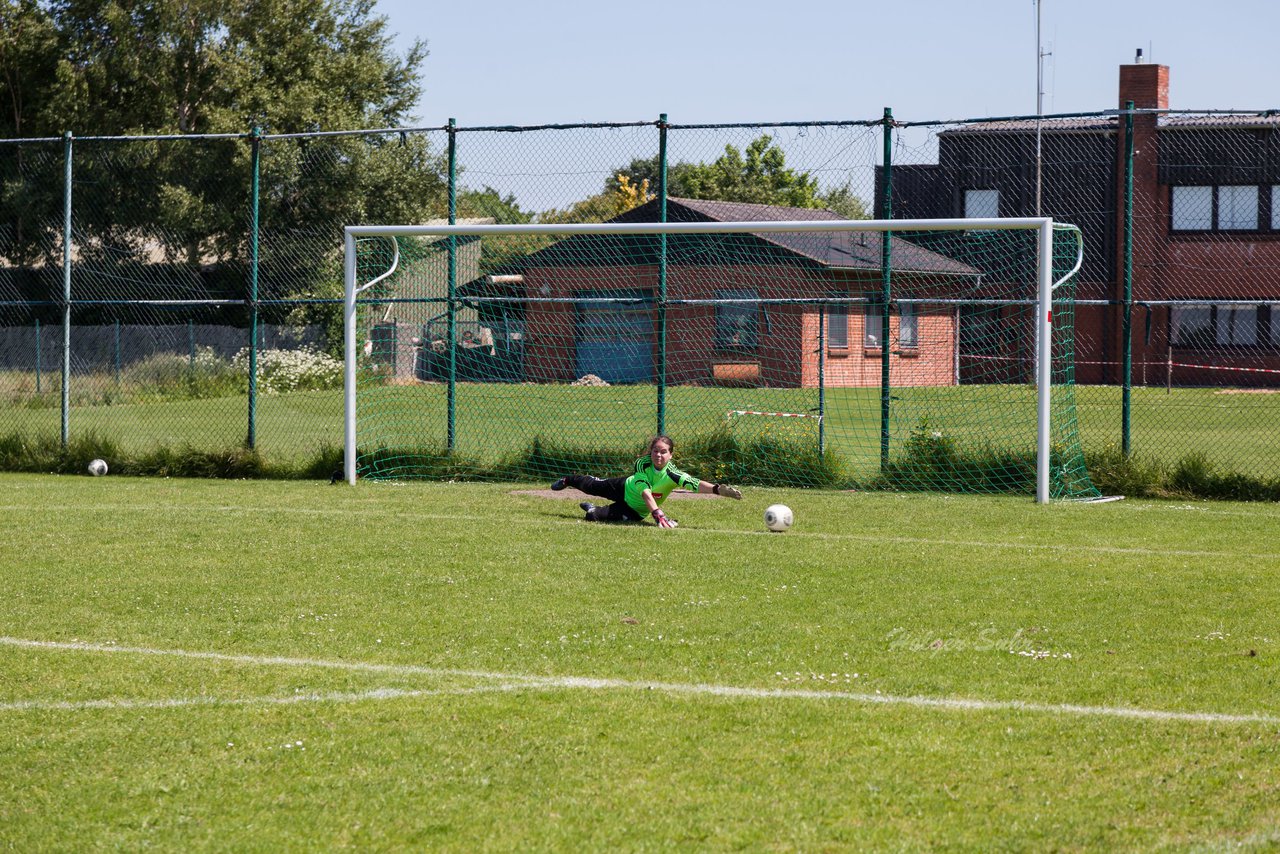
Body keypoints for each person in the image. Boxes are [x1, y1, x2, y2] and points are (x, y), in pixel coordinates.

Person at [550, 435, 742, 528]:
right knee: (590, 486)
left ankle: (593, 508)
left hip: (635, 510)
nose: (658, 455)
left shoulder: (673, 474)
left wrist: (718, 490)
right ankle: (568, 479)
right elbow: (645, 493)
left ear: (671, 455)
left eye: (663, 452)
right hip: (622, 488)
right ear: (650, 452)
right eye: (655, 451)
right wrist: (659, 515)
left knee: (593, 517)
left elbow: (695, 483)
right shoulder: (641, 464)